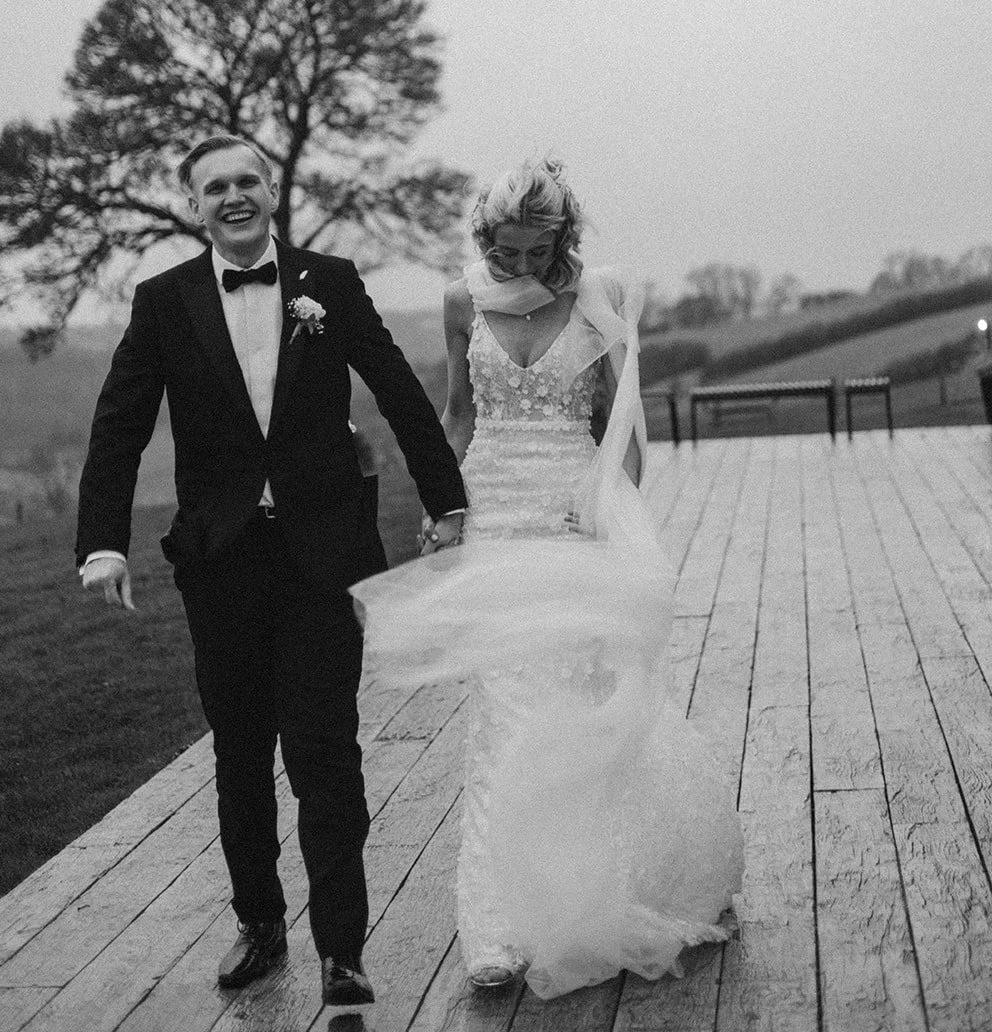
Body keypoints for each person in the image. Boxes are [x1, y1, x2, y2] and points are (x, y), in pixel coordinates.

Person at [75, 134, 466, 1012]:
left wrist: (447, 499)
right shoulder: (162, 302)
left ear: (269, 191)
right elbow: (119, 425)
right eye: (216, 187)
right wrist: (102, 542)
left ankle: (342, 950)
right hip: (220, 569)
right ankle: (259, 921)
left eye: (248, 179)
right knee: (241, 754)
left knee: (324, 749)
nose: (236, 196)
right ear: (196, 205)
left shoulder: (328, 280)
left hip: (324, 560)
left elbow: (398, 387)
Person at [353, 159, 744, 1000]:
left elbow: (624, 430)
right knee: (503, 711)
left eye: (538, 254)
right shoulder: (461, 301)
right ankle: (500, 925)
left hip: (571, 515)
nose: (523, 270)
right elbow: (459, 411)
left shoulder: (595, 302)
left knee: (575, 701)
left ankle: (599, 895)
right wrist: (445, 501)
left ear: (562, 242)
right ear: (484, 240)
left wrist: (603, 504)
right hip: (494, 511)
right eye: (508, 253)